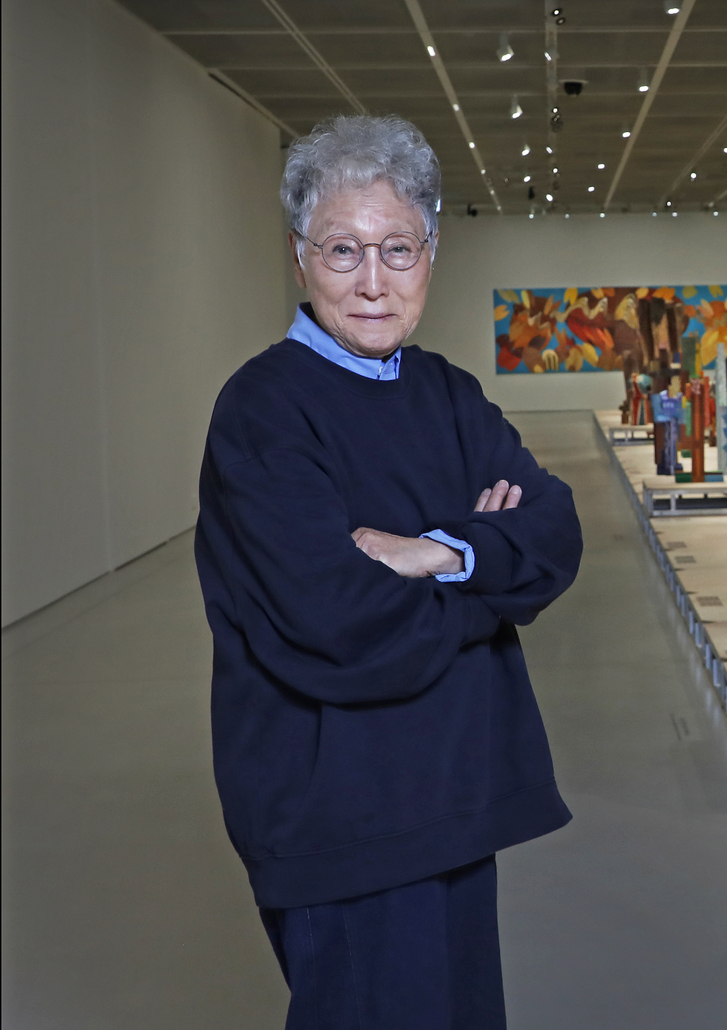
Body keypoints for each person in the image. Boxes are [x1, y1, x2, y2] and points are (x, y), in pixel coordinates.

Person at [194, 114, 582, 1028]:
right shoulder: (263, 410)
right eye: (342, 250)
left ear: (431, 254)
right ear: (300, 258)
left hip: (453, 797)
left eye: (396, 249)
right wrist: (487, 581)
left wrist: (432, 555)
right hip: (340, 820)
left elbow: (556, 531)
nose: (372, 281)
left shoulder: (448, 392)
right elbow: (338, 621)